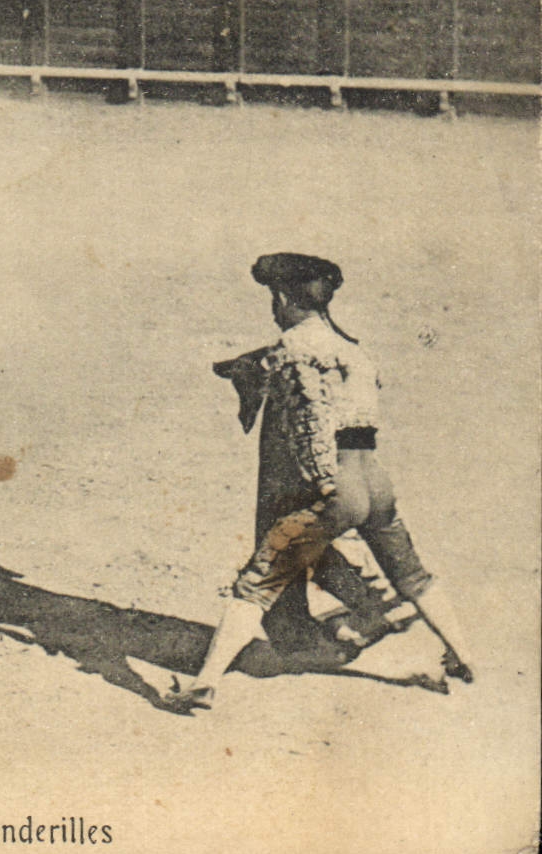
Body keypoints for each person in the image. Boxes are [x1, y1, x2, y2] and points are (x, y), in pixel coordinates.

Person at [163, 254, 475, 712]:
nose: (273, 310)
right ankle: (463, 656)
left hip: (338, 484)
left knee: (258, 581)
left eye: (274, 300)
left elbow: (310, 427)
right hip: (375, 479)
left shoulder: (293, 349)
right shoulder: (352, 349)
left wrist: (322, 490)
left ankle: (204, 683)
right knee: (411, 574)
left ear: (283, 298)